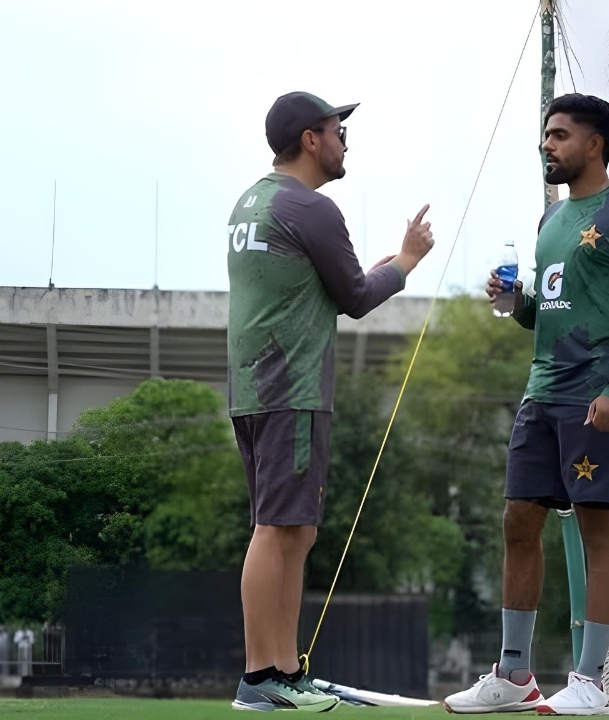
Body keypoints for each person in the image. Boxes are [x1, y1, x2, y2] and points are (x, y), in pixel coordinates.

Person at [444, 93, 609, 716]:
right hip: (540, 394)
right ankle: (513, 675)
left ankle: (591, 680)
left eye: (561, 135)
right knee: (518, 521)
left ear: (594, 144)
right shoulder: (550, 221)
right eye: (547, 134)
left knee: (598, 530)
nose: (548, 144)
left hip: (597, 395)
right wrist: (515, 304)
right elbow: (548, 314)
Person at [227, 90, 435, 712]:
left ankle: (286, 671)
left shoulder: (252, 200)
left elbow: (316, 285)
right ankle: (260, 677)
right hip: (291, 388)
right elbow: (354, 295)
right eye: (337, 131)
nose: (346, 141)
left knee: (297, 529)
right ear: (311, 140)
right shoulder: (312, 207)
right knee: (276, 528)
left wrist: (369, 272)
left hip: (253, 387)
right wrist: (406, 261)